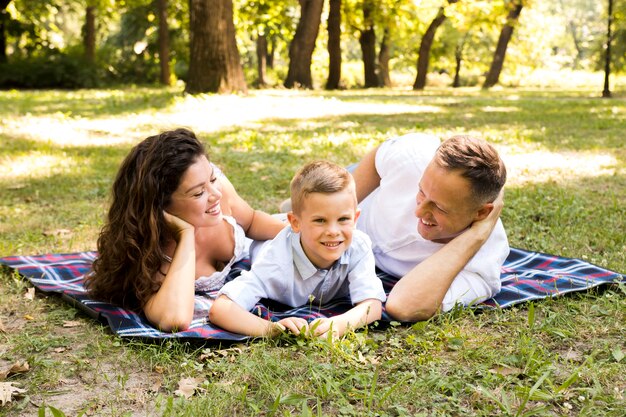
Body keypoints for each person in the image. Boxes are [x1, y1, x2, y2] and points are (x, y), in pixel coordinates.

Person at [85, 128, 285, 332]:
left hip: (265, 247)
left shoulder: (217, 192)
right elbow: (175, 319)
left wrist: (299, 231)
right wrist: (185, 234)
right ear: (160, 206)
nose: (216, 194)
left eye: (213, 179)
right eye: (198, 193)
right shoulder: (148, 256)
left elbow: (251, 221)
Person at [209, 161, 387, 338]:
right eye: (320, 220)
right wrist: (273, 329)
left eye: (343, 219)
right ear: (295, 222)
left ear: (355, 218)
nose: (333, 232)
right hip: (262, 241)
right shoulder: (275, 263)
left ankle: (304, 213)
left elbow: (372, 305)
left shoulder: (358, 245)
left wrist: (340, 324)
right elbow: (221, 309)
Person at [351, 132, 509, 322]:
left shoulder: (483, 264)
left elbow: (403, 306)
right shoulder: (413, 156)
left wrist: (478, 234)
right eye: (421, 192)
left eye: (440, 207)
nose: (418, 212)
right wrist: (340, 210)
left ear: (482, 213)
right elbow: (378, 159)